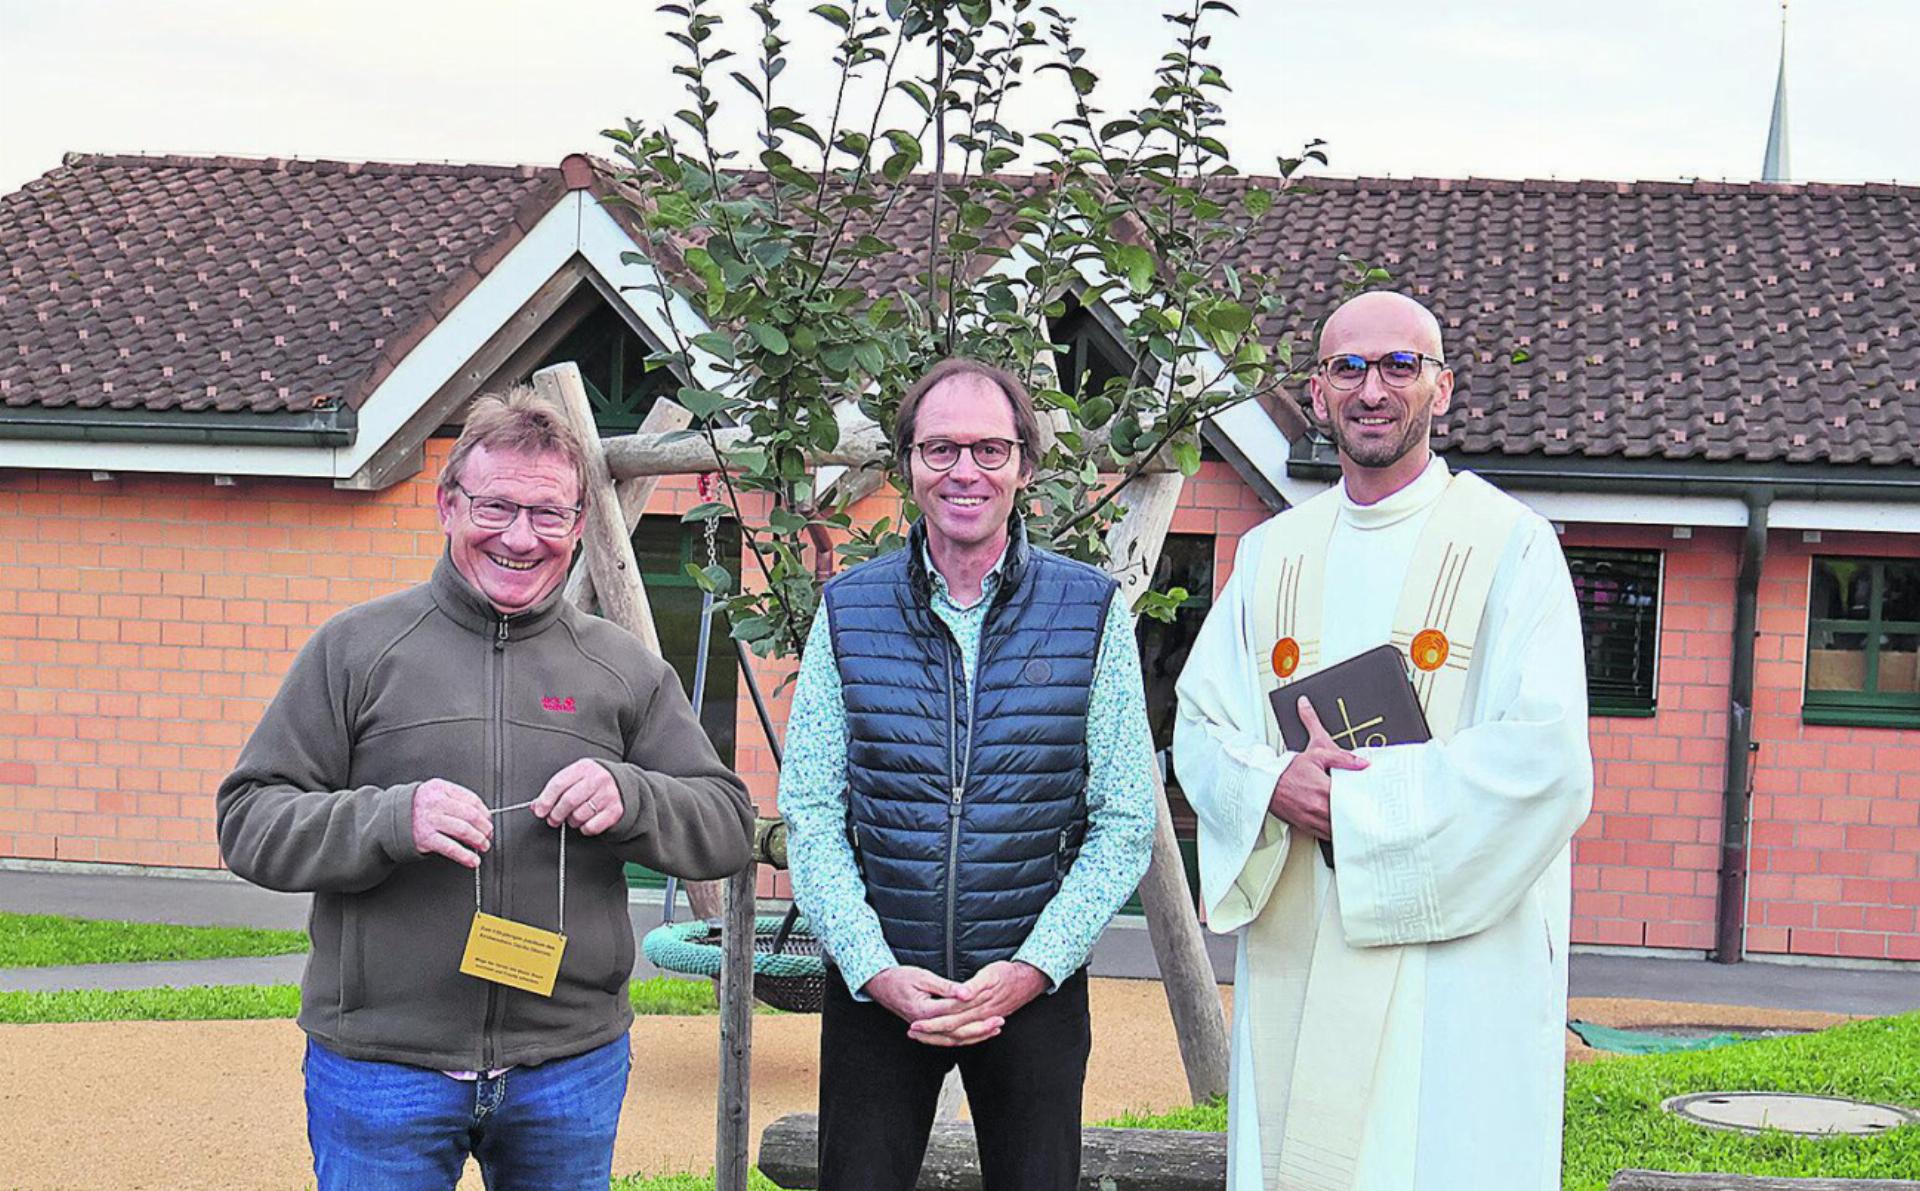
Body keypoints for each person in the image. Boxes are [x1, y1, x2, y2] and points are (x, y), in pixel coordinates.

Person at [217, 386, 755, 1191]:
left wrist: (633, 797)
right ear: (446, 505)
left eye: (547, 515)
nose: (519, 537)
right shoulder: (357, 650)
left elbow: (726, 821)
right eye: (496, 506)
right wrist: (392, 818)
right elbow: (250, 819)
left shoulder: (625, 667)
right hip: (382, 1066)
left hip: (567, 1066)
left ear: (579, 525)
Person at [1173, 291, 1594, 1190]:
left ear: (1441, 389)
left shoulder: (1512, 546)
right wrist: (1274, 782)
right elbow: (1202, 730)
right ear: (1317, 392)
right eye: (1348, 368)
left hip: (1455, 975)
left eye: (1400, 366)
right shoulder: (1272, 555)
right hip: (1304, 937)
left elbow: (1549, 759)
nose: (1374, 389)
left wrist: (1357, 803)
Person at [778, 356, 1157, 1190]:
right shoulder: (848, 610)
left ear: (1024, 463)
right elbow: (810, 808)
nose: (965, 472)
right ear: (907, 464)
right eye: (939, 448)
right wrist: (873, 967)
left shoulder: (1092, 611)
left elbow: (1127, 817)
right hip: (882, 989)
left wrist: (1032, 968)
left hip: (1031, 989)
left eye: (989, 450)